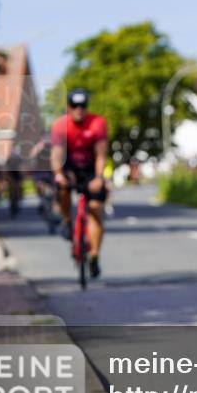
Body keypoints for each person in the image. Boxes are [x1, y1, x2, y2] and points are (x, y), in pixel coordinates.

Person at [50, 88, 109, 279]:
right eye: (74, 106)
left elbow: (101, 155)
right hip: (70, 168)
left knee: (95, 208)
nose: (79, 109)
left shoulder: (97, 123)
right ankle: (67, 221)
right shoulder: (60, 125)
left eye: (82, 105)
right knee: (62, 188)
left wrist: (99, 178)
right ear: (68, 107)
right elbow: (57, 153)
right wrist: (59, 174)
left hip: (91, 169)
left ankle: (94, 257)